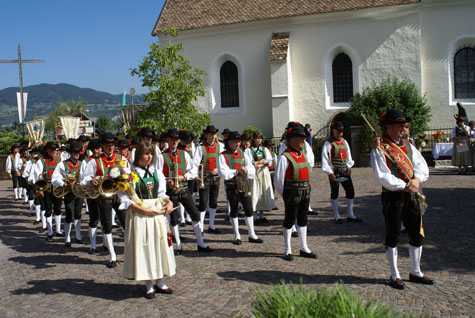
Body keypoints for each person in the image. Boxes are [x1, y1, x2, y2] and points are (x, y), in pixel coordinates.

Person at [371, 109, 434, 290]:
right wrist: (404, 185)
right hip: (393, 196)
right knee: (393, 234)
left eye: (404, 125)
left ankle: (415, 271)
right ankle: (395, 274)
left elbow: (421, 166)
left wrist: (416, 180)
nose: (403, 128)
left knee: (416, 232)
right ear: (389, 127)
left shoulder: (408, 145)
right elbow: (381, 175)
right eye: (399, 125)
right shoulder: (379, 147)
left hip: (411, 193)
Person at [118, 142, 176, 299]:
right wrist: (143, 210)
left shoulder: (157, 172)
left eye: (151, 153)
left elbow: (162, 194)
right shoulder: (129, 174)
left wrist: (169, 203)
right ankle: (148, 285)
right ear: (138, 155)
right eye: (145, 153)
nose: (149, 156)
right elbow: (124, 198)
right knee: (145, 247)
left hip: (157, 214)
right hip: (140, 214)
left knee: (159, 245)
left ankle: (160, 281)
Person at [157, 128, 212, 255]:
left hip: (183, 188)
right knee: (174, 219)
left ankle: (200, 243)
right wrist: (166, 181)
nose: (174, 142)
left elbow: (192, 170)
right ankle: (178, 246)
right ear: (167, 141)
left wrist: (185, 177)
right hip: (170, 192)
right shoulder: (161, 156)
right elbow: (158, 174)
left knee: (195, 214)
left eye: (176, 140)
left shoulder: (184, 154)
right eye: (171, 140)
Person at [83, 132, 127, 268]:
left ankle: (130, 252)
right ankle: (112, 256)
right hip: (104, 196)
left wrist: (125, 178)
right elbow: (84, 178)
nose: (111, 147)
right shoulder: (94, 161)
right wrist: (92, 180)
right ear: (102, 145)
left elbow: (128, 173)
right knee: (107, 225)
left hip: (119, 195)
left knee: (126, 223)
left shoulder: (121, 158)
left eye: (112, 145)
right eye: (108, 145)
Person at [275, 123, 316, 261]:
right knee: (290, 219)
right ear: (292, 140)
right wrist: (285, 195)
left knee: (303, 219)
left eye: (304, 138)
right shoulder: (284, 157)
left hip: (305, 191)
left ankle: (304, 247)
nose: (303, 141)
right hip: (292, 193)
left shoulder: (304, 155)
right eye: (301, 138)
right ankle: (288, 249)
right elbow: (279, 181)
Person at [218, 131, 263, 245]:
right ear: (229, 142)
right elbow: (223, 172)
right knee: (234, 210)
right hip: (232, 185)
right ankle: (237, 235)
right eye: (234, 142)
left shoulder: (243, 154)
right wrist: (236, 171)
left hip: (243, 183)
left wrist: (248, 170)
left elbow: (250, 167)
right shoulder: (223, 156)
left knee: (248, 208)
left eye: (238, 141)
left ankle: (251, 234)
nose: (237, 144)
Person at [321, 121, 361, 224]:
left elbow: (348, 156)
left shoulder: (344, 142)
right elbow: (325, 159)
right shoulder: (328, 143)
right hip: (335, 171)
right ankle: (336, 216)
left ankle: (350, 214)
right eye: (338, 131)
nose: (340, 134)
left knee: (350, 191)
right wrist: (330, 172)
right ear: (333, 131)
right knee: (335, 193)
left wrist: (349, 167)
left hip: (344, 170)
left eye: (341, 131)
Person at [51, 142, 85, 247]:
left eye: (78, 152)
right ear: (70, 153)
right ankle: (67, 237)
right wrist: (64, 184)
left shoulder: (82, 163)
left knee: (78, 213)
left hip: (79, 192)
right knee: (69, 213)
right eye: (75, 152)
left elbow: (85, 177)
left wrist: (82, 184)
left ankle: (78, 236)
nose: (77, 154)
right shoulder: (62, 164)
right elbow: (54, 178)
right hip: (69, 192)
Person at [29, 142, 64, 240]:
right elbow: (37, 176)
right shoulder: (41, 161)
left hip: (57, 188)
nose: (53, 151)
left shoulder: (60, 160)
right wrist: (39, 189)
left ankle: (58, 230)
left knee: (58, 209)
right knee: (48, 210)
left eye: (54, 149)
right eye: (51, 149)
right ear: (47, 150)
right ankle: (50, 232)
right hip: (46, 188)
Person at [193, 125, 223, 233]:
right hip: (204, 177)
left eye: (214, 134)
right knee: (203, 201)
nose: (212, 136)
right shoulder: (200, 148)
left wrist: (218, 169)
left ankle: (211, 224)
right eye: (210, 134)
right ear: (206, 135)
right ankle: (200, 225)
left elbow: (223, 162)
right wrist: (196, 176)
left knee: (214, 200)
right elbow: (195, 163)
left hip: (215, 177)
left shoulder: (221, 147)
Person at [246, 131, 275, 224]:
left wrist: (262, 163)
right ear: (253, 139)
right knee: (255, 192)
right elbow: (248, 162)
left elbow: (269, 161)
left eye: (260, 138)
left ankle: (262, 215)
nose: (258, 140)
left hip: (263, 173)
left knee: (263, 192)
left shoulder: (265, 149)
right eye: (256, 138)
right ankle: (255, 216)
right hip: (254, 173)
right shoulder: (248, 150)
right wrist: (256, 164)